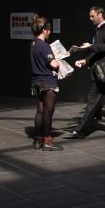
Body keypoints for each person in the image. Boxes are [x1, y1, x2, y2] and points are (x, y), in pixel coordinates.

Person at [66, 6, 105, 138]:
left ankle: (81, 131)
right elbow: (98, 52)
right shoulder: (100, 30)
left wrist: (91, 46)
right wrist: (86, 60)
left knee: (92, 101)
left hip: (102, 73)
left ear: (100, 15)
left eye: (92, 16)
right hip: (103, 72)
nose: (90, 19)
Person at [30, 15, 63, 151]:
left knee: (40, 111)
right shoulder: (44, 46)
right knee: (48, 112)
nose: (49, 32)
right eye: (48, 30)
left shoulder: (33, 44)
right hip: (47, 81)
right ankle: (48, 142)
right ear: (44, 30)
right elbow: (54, 64)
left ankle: (38, 140)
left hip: (36, 81)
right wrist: (59, 61)